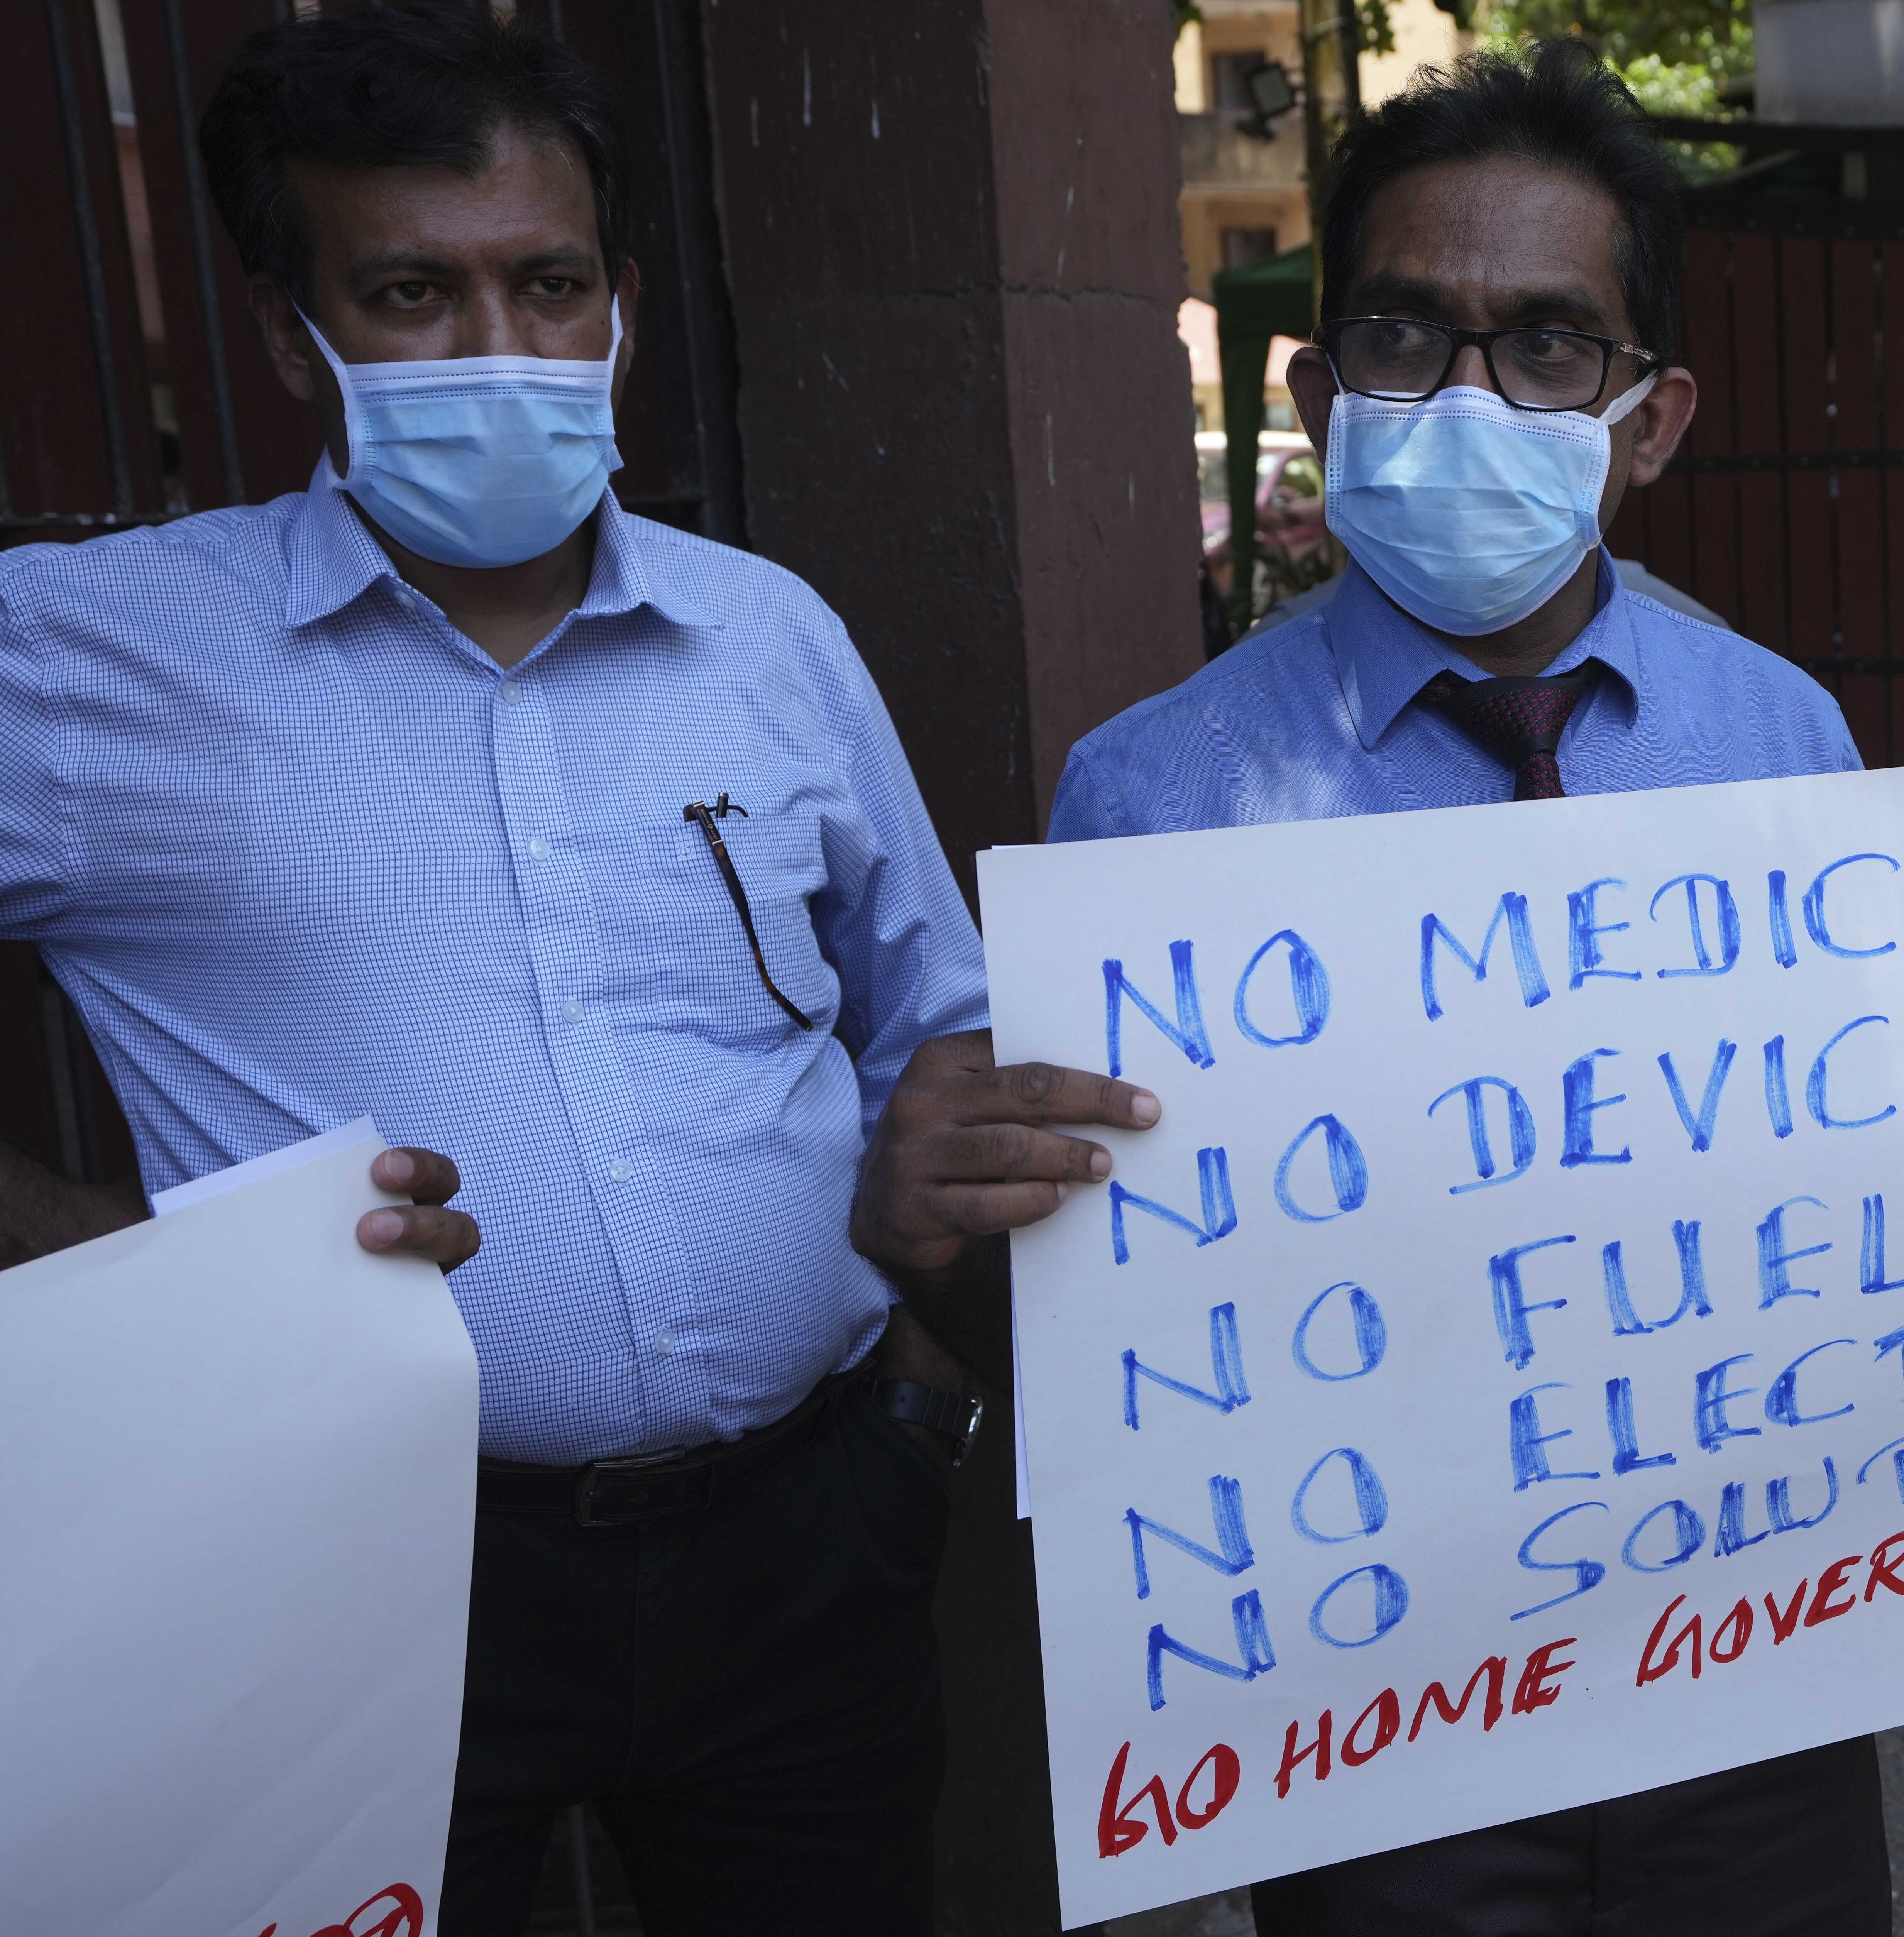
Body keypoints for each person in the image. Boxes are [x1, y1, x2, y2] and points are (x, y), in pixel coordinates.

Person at [1047, 43, 1904, 1937]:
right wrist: (950, 1219)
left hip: (1749, 1673)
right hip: (1375, 1716)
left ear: (1649, 419)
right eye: (1402, 336)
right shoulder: (1144, 799)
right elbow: (1093, 1312)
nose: (1467, 397)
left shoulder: (1781, 734)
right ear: (1314, 392)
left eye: (1544, 346)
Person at [0, 10, 1136, 1932]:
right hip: (338, 1573)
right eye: (410, 295)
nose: (499, 349)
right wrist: (76, 1253)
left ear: (619, 304)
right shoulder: (84, 659)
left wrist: (919, 1390)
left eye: (546, 285)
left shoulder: (766, 635)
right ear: (290, 335)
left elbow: (929, 1027)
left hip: (808, 1545)